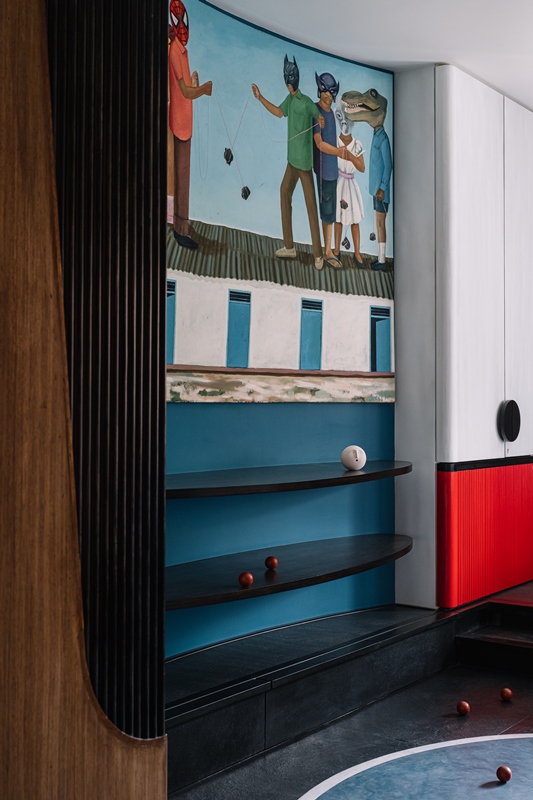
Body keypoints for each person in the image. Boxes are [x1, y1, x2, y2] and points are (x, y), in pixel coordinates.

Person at [252, 56, 325, 270]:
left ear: (293, 80)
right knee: (284, 192)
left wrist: (321, 121)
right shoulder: (290, 100)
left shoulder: (307, 102)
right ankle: (289, 246)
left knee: (311, 206)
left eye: (290, 78)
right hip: (292, 161)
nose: (288, 83)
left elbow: (319, 117)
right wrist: (260, 98)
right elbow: (278, 112)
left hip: (304, 164)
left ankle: (318, 255)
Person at [168, 0, 212, 250]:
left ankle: (181, 227)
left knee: (184, 175)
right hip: (180, 121)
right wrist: (201, 89)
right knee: (182, 176)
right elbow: (185, 92)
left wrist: (195, 84)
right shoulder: (175, 52)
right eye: (180, 23)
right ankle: (180, 231)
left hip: (185, 120)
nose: (184, 29)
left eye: (185, 23)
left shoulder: (182, 51)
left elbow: (186, 86)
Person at [312, 72, 356, 269]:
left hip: (333, 170)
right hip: (323, 169)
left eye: (331, 92)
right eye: (325, 90)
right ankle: (327, 252)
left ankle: (328, 250)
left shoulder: (330, 114)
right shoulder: (316, 111)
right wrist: (338, 151)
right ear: (319, 90)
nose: (328, 95)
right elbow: (319, 143)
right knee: (327, 211)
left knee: (331, 212)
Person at [333, 100, 365, 267]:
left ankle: (357, 253)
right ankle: (336, 250)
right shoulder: (334, 141)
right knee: (337, 219)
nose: (345, 122)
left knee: (354, 220)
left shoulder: (357, 144)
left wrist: (350, 156)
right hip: (339, 183)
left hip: (351, 185)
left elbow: (361, 167)